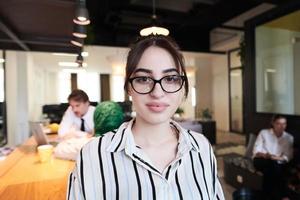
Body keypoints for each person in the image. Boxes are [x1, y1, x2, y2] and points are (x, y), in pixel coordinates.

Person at [67, 35, 224, 199]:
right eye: (143, 79)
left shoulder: (201, 148)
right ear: (128, 87)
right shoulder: (93, 156)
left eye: (170, 78)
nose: (157, 93)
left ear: (182, 86)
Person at [253, 114, 294, 200]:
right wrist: (266, 155)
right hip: (261, 159)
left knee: (272, 168)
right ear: (273, 123)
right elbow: (256, 151)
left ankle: (266, 196)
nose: (281, 126)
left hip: (277, 163)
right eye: (278, 123)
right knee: (274, 166)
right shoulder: (264, 133)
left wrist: (276, 158)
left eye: (284, 124)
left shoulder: (289, 138)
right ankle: (283, 196)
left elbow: (288, 156)